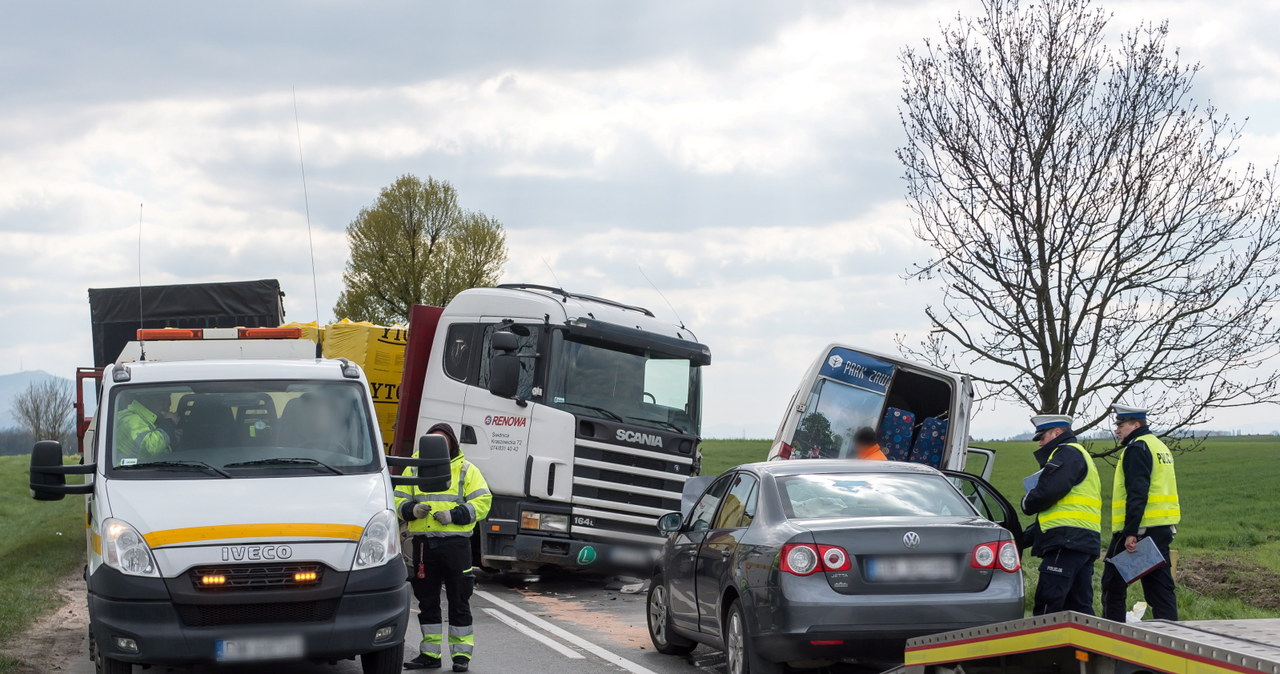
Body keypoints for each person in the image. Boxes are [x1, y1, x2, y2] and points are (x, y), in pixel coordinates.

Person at [397, 423, 492, 672]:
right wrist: (411, 510)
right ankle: (430, 654)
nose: (439, 444)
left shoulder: (465, 470)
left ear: (451, 443)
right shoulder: (414, 468)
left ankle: (461, 656)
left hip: (455, 545)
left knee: (459, 600)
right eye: (434, 440)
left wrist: (454, 515)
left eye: (443, 440)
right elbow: (398, 499)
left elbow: (483, 502)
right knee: (427, 601)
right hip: (423, 546)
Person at [1102, 404, 1180, 622]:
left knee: (1113, 585)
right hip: (1161, 528)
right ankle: (1171, 634)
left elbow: (1137, 492)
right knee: (1160, 589)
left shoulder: (1137, 448)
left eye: (1121, 425)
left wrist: (1131, 532)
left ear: (1136, 424)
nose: (1117, 430)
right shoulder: (1159, 446)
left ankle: (1112, 634)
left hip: (1141, 530)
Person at [1021, 414, 1102, 616]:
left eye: (1042, 438)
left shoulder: (1066, 454)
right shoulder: (1079, 455)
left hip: (1066, 543)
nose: (1040, 444)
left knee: (1048, 605)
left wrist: (1026, 502)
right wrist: (1021, 538)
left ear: (1057, 433)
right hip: (1082, 541)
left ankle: (1044, 648)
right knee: (1079, 609)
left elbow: (1048, 492)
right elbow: (1059, 511)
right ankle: (1084, 648)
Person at [112, 391, 177, 461]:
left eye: (169, 401)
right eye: (162, 400)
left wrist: (172, 440)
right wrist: (168, 423)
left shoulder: (149, 420)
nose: (167, 406)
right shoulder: (130, 419)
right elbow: (150, 448)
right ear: (146, 400)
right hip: (127, 470)